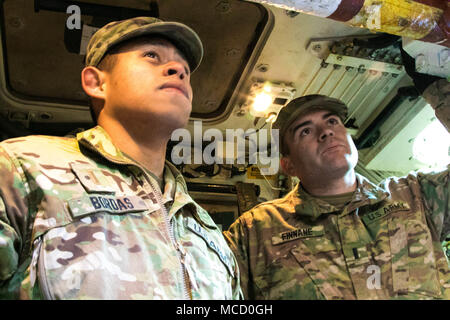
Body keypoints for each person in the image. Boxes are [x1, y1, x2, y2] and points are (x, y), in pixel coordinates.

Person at [0, 17, 241, 300]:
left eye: (185, 70)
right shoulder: (21, 165)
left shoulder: (206, 227)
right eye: (152, 56)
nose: (179, 71)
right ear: (96, 82)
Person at [224, 78, 449, 300]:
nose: (326, 132)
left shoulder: (416, 194)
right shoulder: (255, 231)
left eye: (332, 122)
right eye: (305, 131)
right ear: (288, 165)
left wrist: (436, 89)